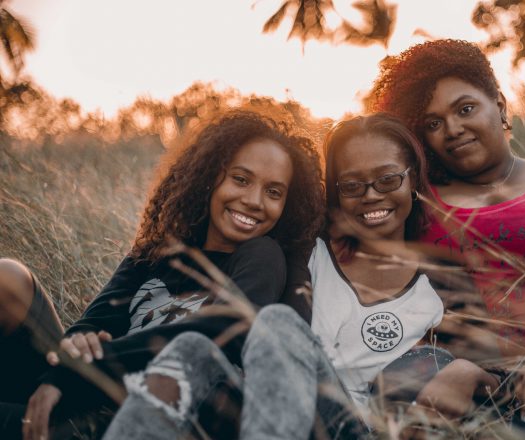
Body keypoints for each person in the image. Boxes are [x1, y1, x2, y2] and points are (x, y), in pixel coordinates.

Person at [101, 113, 490, 439]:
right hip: (281, 413)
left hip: (361, 429)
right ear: (336, 193)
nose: (371, 195)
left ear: (413, 180)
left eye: (388, 180)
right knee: (194, 348)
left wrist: (469, 368)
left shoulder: (442, 280)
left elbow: (496, 364)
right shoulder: (305, 249)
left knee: (276, 323)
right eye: (352, 185)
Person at [0, 109, 324, 440]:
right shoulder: (157, 252)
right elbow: (93, 323)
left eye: (274, 192)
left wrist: (81, 371)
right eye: (240, 179)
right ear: (211, 177)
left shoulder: (264, 257)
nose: (254, 201)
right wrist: (80, 344)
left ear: (287, 203)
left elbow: (228, 329)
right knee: (8, 278)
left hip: (147, 417)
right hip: (83, 391)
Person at [367, 39, 525, 437]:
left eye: (465, 109)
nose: (452, 129)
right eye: (432, 123)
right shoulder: (414, 201)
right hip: (447, 382)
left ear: (499, 105)